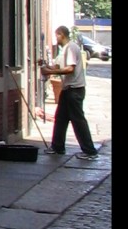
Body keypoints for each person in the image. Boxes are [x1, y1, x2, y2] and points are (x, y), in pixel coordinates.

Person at [40, 25, 99, 159]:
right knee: (60, 118)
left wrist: (50, 72)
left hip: (74, 90)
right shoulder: (63, 50)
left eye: (56, 35)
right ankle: (57, 147)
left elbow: (69, 69)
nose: (56, 39)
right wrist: (45, 65)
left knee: (78, 120)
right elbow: (57, 66)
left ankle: (90, 151)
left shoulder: (71, 48)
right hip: (67, 90)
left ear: (61, 34)